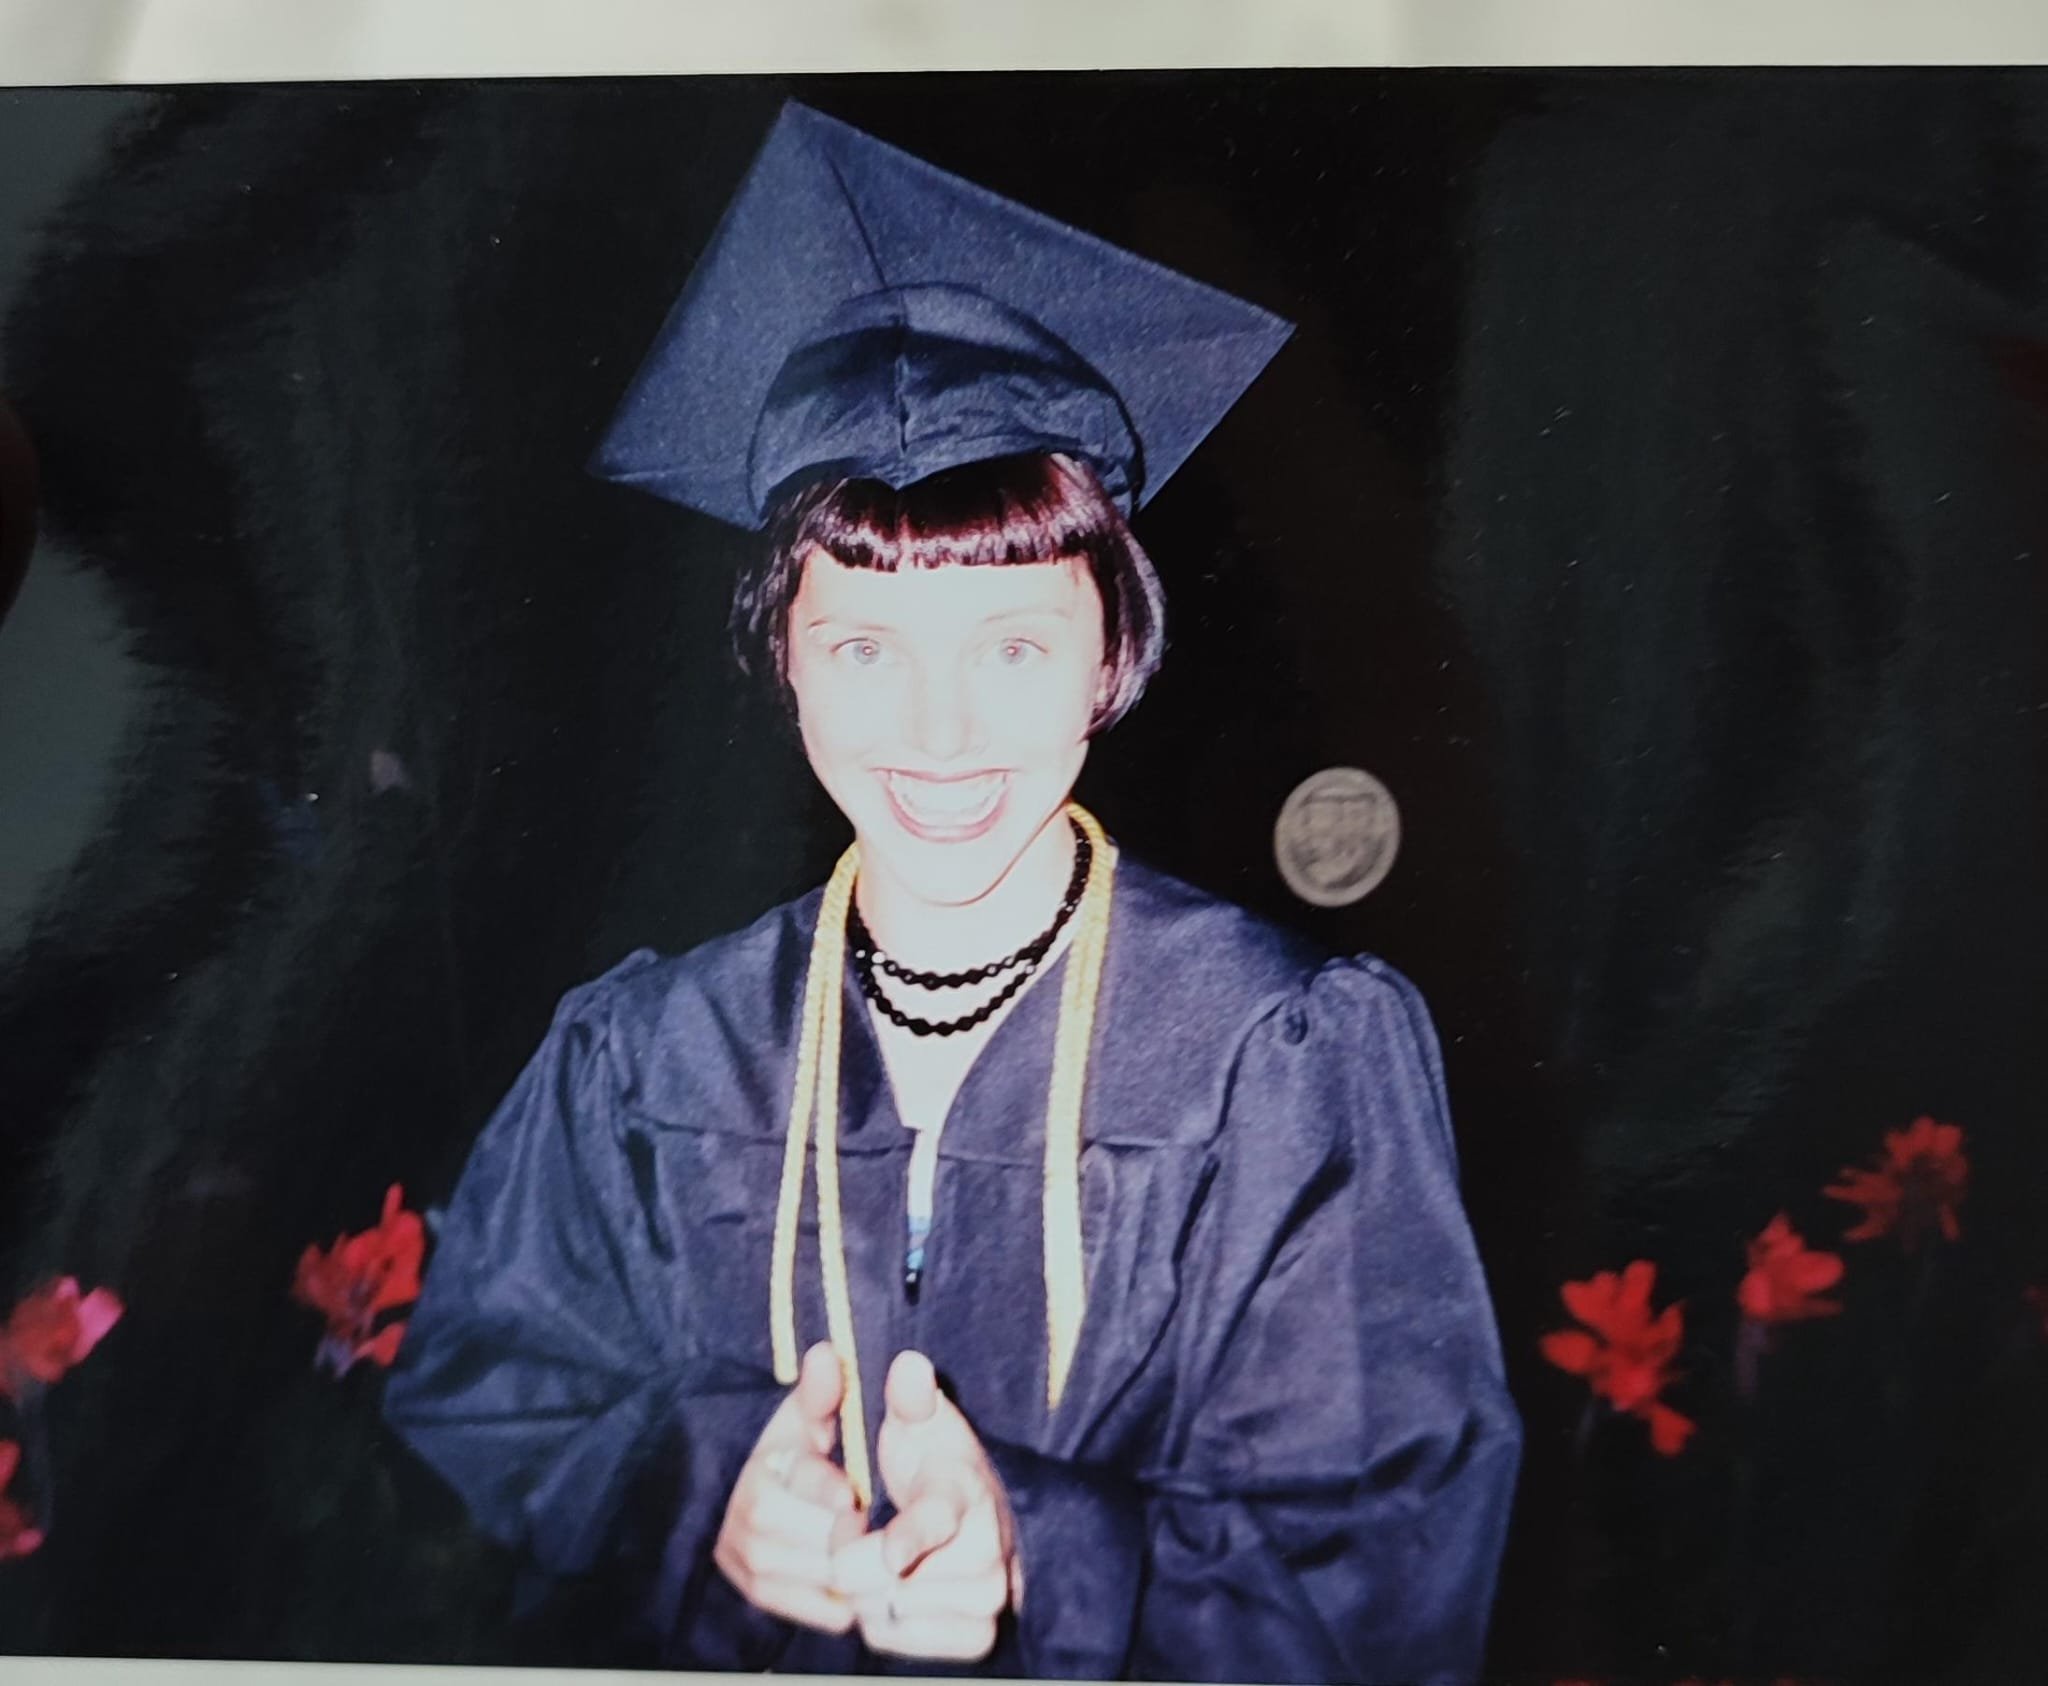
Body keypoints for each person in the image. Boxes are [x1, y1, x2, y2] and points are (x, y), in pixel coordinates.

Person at [384, 102, 1521, 1682]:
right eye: (863, 645)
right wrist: (703, 1493)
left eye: (1010, 644)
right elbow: (496, 1396)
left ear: (1112, 655)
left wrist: (1051, 1557)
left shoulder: (1283, 1060)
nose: (937, 735)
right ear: (779, 659)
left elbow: (1387, 1554)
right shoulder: (648, 1053)